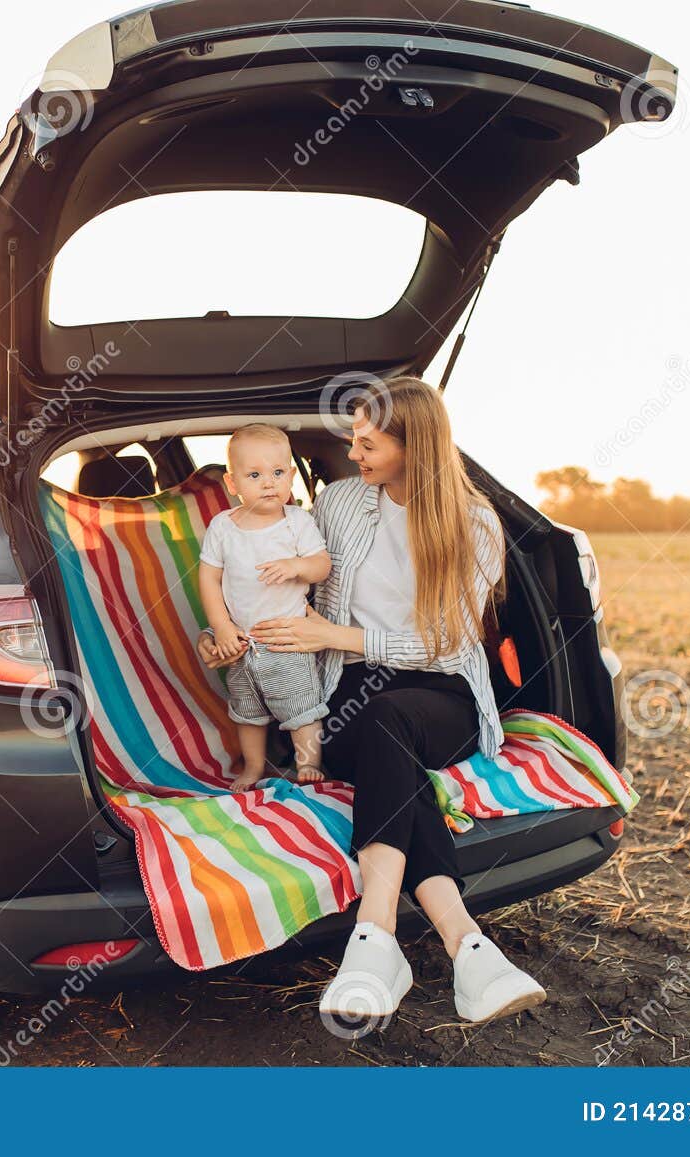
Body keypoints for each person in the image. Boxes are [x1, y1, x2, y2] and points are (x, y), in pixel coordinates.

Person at [194, 377, 546, 1027]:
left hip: (443, 690)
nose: (353, 452)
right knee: (387, 739)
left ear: (413, 446)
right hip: (348, 691)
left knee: (394, 724)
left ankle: (375, 935)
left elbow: (447, 644)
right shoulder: (338, 502)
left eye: (368, 442)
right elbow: (278, 583)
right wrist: (231, 636)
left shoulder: (474, 523)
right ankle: (468, 944)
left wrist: (336, 634)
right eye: (353, 440)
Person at [198, 423, 332, 790]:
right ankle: (253, 767)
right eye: (255, 475)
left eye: (277, 473)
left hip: (286, 640)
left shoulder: (297, 522)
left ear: (291, 476)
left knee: (303, 708)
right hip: (241, 642)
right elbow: (209, 579)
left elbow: (322, 565)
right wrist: (221, 626)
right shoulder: (223, 527)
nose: (269, 483)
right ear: (232, 484)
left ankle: (308, 764)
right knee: (247, 712)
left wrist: (296, 566)